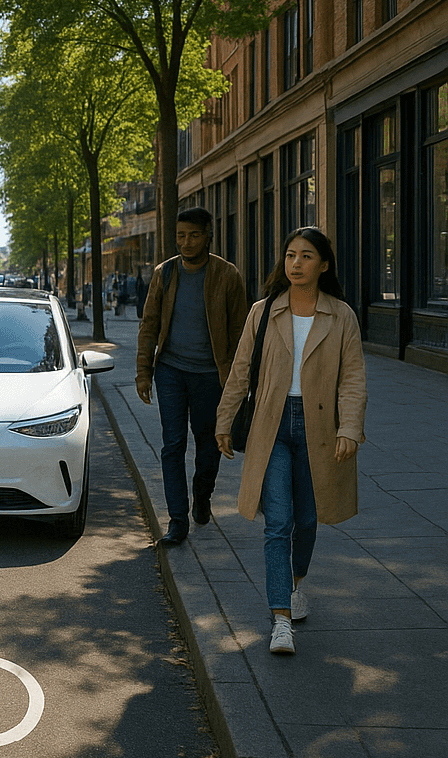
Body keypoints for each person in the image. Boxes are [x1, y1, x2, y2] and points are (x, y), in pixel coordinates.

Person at [215, 228, 366, 655]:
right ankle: (281, 620)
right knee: (277, 524)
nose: (295, 263)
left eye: (305, 256)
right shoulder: (263, 312)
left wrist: (349, 428)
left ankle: (298, 581)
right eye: (290, 255)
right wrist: (223, 421)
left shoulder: (342, 316)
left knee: (307, 521)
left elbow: (352, 379)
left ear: (324, 265)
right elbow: (241, 370)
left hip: (320, 429)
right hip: (271, 425)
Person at [136, 206, 249, 547]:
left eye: (194, 235)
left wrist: (239, 382)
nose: (186, 242)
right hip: (170, 371)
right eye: (181, 235)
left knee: (207, 444)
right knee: (172, 445)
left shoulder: (227, 276)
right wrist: (144, 371)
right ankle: (177, 520)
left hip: (210, 376)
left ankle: (203, 495)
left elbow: (240, 332)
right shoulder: (165, 273)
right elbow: (149, 324)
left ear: (208, 237)